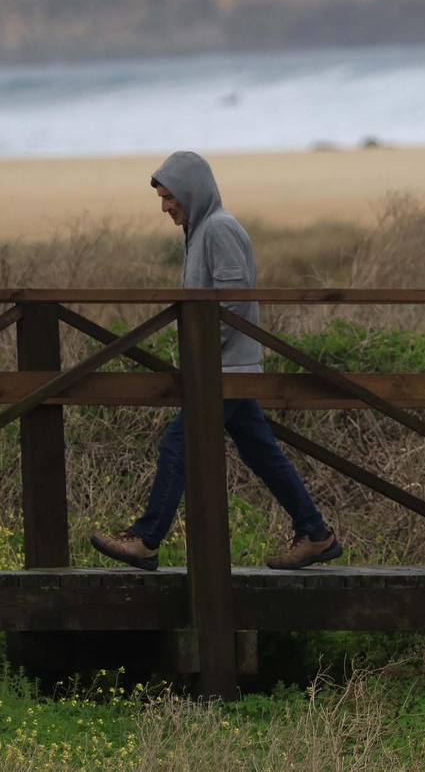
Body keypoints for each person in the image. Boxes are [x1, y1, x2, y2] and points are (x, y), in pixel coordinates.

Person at [90, 151, 342, 571]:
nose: (164, 207)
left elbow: (233, 302)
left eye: (169, 197)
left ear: (191, 192)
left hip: (224, 371)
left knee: (177, 443)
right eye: (162, 198)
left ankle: (146, 540)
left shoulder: (218, 229)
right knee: (261, 453)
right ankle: (316, 534)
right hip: (223, 368)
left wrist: (202, 354)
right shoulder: (200, 230)